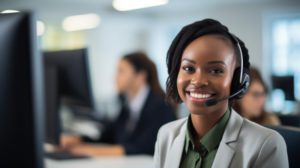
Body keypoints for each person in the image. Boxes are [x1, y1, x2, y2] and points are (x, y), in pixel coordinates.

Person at [153, 19, 288, 168]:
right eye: (188, 68)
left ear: (238, 81)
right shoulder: (166, 135)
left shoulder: (266, 145)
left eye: (216, 71)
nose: (198, 81)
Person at [62, 52, 176, 156]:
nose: (115, 77)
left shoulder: (159, 106)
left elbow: (143, 148)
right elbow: (111, 135)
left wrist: (93, 150)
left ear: (140, 76)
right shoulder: (128, 104)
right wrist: (80, 140)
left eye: (121, 71)